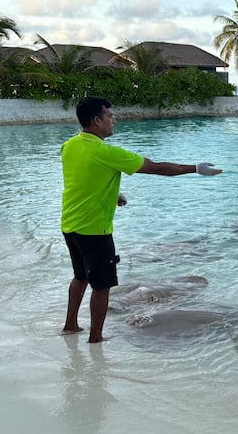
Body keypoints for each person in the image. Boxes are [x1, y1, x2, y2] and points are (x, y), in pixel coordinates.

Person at [60, 96, 222, 343]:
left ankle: (70, 325)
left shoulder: (70, 145)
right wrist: (195, 168)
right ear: (96, 121)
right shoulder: (106, 152)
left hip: (70, 224)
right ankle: (96, 339)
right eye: (110, 116)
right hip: (95, 229)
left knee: (80, 276)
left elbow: (83, 176)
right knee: (101, 286)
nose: (114, 120)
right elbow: (155, 168)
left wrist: (114, 194)